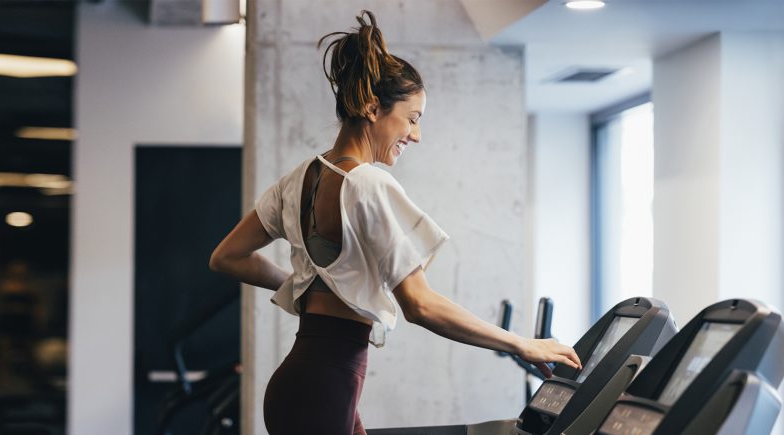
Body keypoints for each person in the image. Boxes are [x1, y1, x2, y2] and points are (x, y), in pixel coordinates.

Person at [209, 10, 581, 435]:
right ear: (372, 107)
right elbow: (420, 305)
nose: (416, 135)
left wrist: (305, 287)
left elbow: (227, 257)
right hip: (326, 386)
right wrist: (522, 344)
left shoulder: (296, 181)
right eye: (413, 118)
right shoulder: (368, 185)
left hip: (306, 382)